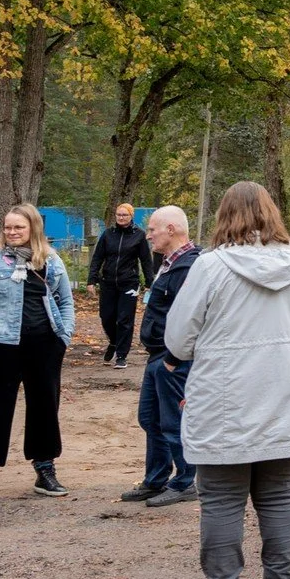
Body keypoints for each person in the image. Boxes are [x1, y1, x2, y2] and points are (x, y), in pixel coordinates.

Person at [165, 181, 290, 579]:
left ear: (224, 215)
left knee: (221, 501)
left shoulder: (210, 266)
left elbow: (177, 341)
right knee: (280, 497)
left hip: (225, 403)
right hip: (284, 397)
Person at [0, 204, 77, 502]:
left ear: (33, 229)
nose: (12, 232)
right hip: (1, 347)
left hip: (44, 346)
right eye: (8, 227)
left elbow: (66, 302)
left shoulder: (51, 261)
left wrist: (63, 337)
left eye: (19, 227)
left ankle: (45, 470)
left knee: (44, 409)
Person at [120, 205, 201, 508]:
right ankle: (155, 479)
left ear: (171, 229)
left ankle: (184, 482)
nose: (148, 235)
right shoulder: (168, 264)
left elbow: (192, 318)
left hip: (173, 359)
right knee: (150, 418)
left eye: (153, 229)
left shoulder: (191, 267)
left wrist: (173, 359)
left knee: (173, 421)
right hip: (157, 355)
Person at [88, 204, 153, 368]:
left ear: (131, 216)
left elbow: (146, 260)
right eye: (119, 214)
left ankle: (122, 356)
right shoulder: (108, 234)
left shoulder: (139, 235)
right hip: (108, 282)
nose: (121, 217)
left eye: (124, 215)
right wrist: (91, 280)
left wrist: (149, 283)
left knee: (125, 319)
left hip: (129, 283)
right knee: (106, 317)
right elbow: (97, 258)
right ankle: (114, 342)